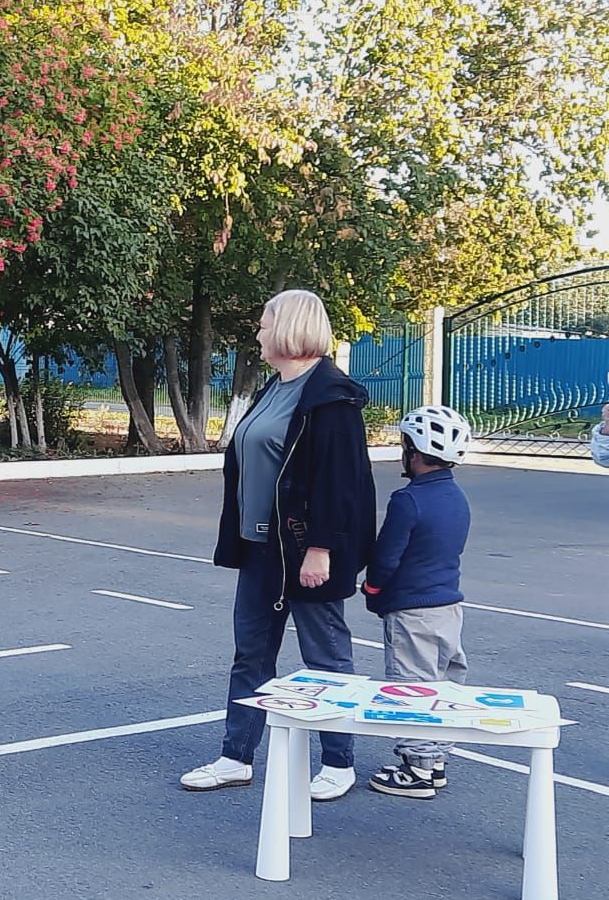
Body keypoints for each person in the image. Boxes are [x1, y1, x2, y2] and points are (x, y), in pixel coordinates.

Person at [181, 289, 376, 801]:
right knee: (251, 655)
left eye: (265, 324)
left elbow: (341, 483)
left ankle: (338, 762)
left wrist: (321, 550)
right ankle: (235, 757)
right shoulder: (276, 387)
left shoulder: (331, 396)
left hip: (306, 551)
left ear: (290, 328)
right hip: (261, 548)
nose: (259, 333)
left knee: (326, 659)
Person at [362, 405, 472, 798]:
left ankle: (418, 770)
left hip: (411, 609)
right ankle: (436, 758)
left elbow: (387, 556)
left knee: (412, 685)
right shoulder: (456, 497)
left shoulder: (407, 500)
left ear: (414, 451)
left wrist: (372, 590)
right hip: (448, 606)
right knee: (444, 683)